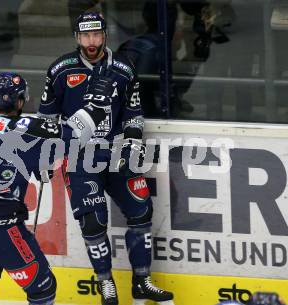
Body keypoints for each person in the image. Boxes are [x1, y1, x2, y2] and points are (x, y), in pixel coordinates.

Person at [0, 71, 112, 305]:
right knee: (43, 287)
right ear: (18, 100)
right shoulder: (26, 130)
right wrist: (96, 106)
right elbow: (75, 135)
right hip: (3, 231)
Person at [38, 12, 174, 305]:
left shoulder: (124, 69)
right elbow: (46, 120)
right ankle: (106, 284)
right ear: (77, 37)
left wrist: (134, 144)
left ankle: (142, 281)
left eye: (96, 35)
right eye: (85, 36)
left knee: (141, 212)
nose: (91, 41)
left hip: (116, 155)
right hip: (79, 157)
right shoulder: (61, 70)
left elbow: (134, 113)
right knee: (93, 222)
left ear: (104, 36)